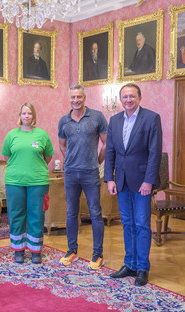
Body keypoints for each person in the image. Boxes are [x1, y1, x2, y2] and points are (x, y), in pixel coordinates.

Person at [104, 83, 162, 286]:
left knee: (142, 225)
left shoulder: (151, 118)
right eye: (125, 96)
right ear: (120, 100)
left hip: (142, 183)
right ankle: (129, 264)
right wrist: (110, 178)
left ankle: (142, 268)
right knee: (127, 224)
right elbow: (110, 151)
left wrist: (149, 180)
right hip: (121, 181)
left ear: (139, 98)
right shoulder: (114, 120)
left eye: (132, 96)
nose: (128, 100)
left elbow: (155, 153)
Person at [58, 85, 107, 269]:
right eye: (72, 97)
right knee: (71, 212)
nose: (75, 100)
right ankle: (72, 251)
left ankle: (98, 254)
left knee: (95, 212)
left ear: (84, 97)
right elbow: (62, 145)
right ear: (69, 98)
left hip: (90, 172)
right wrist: (70, 160)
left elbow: (105, 144)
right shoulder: (64, 120)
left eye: (79, 97)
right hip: (70, 173)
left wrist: (96, 161)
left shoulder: (97, 117)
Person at [1, 103, 54, 264]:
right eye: (24, 113)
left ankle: (35, 250)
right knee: (16, 214)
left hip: (38, 181)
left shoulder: (42, 135)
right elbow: (6, 157)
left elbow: (48, 157)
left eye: (29, 113)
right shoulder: (11, 135)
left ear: (34, 116)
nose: (26, 116)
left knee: (36, 215)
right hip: (14, 181)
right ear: (20, 116)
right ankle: (18, 250)